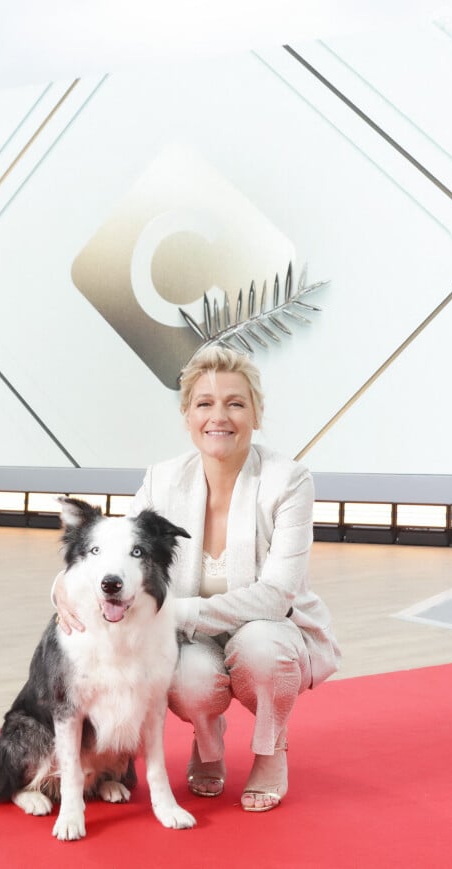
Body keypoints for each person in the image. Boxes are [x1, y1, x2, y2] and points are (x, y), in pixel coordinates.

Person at [53, 345, 340, 811]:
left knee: (261, 651)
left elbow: (277, 593)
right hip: (193, 639)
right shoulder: (163, 479)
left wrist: (180, 611)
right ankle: (208, 744)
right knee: (186, 679)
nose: (218, 416)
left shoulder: (289, 480)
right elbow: (117, 551)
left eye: (235, 402)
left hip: (271, 627)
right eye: (204, 403)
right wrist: (62, 587)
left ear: (257, 413)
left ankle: (271, 749)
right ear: (187, 415)